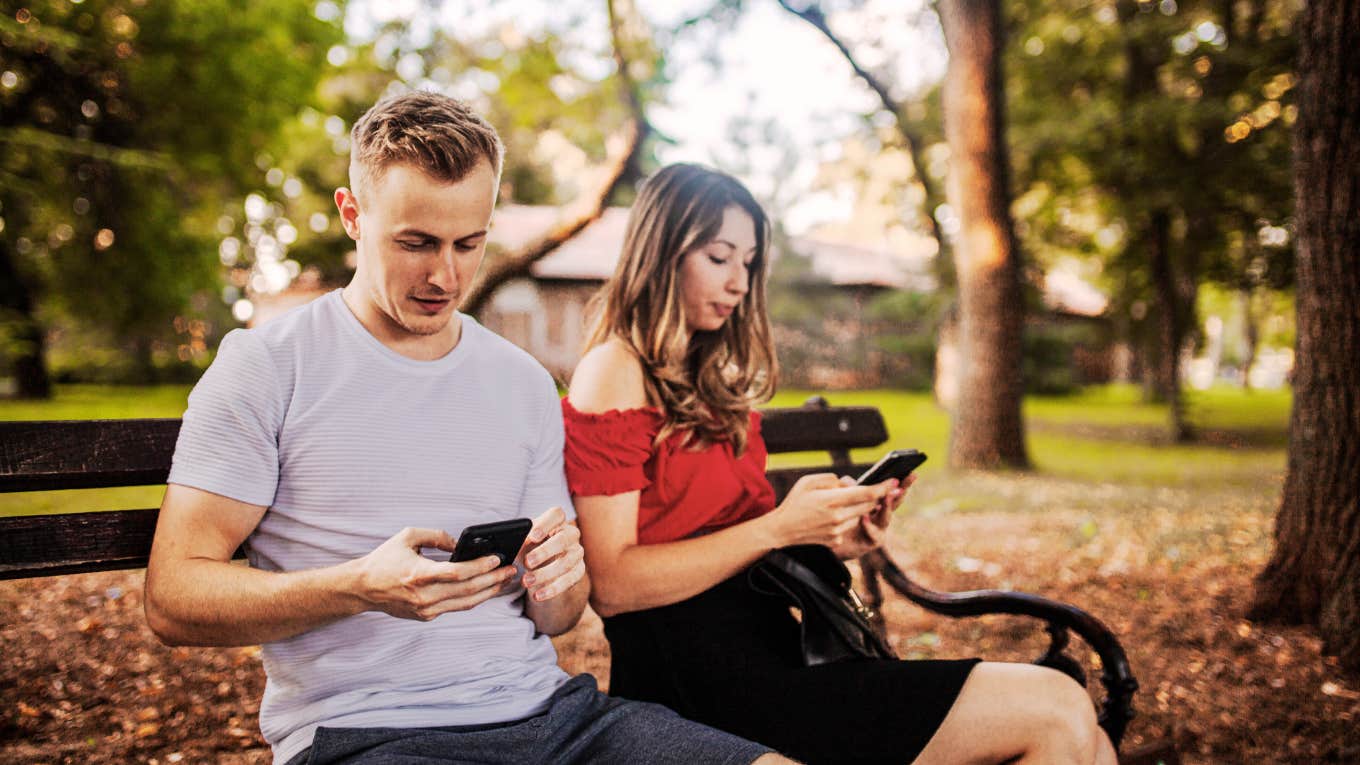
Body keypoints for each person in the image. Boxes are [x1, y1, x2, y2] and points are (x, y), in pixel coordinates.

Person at [144, 93, 791, 765]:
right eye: (416, 242)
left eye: (469, 243)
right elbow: (173, 597)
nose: (444, 275)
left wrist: (559, 576)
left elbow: (560, 615)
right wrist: (358, 585)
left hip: (555, 718)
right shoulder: (269, 366)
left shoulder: (522, 381)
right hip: (369, 734)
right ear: (352, 215)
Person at [562, 163, 1120, 765]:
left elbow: (739, 547)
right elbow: (614, 585)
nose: (738, 284)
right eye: (719, 257)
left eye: (748, 263)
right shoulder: (614, 371)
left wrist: (832, 538)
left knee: (1079, 729)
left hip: (776, 651)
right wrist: (779, 526)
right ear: (662, 253)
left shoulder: (709, 381)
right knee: (1058, 707)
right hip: (704, 683)